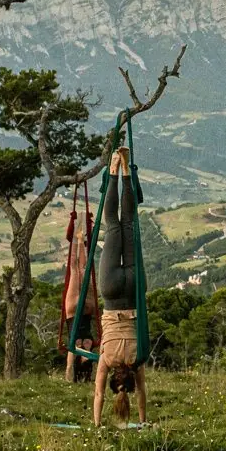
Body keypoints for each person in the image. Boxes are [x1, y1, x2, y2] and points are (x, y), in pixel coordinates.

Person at [93, 149, 147, 427]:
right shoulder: (108, 359)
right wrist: (97, 423)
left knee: (128, 224)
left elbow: (143, 395)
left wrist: (143, 419)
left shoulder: (137, 360)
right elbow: (99, 393)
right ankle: (116, 168)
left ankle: (124, 170)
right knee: (113, 224)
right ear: (117, 383)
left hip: (136, 292)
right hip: (113, 294)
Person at [64, 231, 99, 383]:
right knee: (79, 269)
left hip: (79, 312)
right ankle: (78, 239)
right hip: (77, 311)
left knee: (77, 269)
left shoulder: (77, 346)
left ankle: (77, 239)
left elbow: (69, 365)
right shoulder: (88, 344)